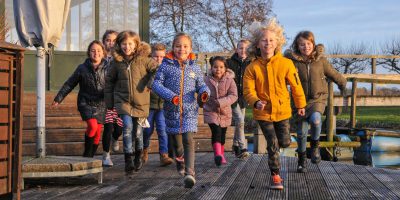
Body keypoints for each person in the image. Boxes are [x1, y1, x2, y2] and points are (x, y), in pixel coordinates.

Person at [243, 18, 306, 190]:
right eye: (264, 40)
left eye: (271, 40)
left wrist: (300, 105)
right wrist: (255, 102)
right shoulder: (252, 68)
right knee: (272, 144)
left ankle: (282, 145)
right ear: (257, 44)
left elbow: (296, 85)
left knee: (284, 142)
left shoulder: (286, 64)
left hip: (283, 111)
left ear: (277, 42)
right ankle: (275, 176)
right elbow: (248, 91)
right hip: (263, 113)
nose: (267, 43)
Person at [152, 32, 210, 188]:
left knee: (188, 140)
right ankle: (179, 158)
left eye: (185, 46)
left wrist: (205, 93)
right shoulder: (165, 65)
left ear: (190, 48)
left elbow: (202, 85)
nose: (181, 49)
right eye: (178, 46)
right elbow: (156, 84)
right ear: (173, 47)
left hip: (190, 110)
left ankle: (190, 173)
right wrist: (171, 96)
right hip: (172, 111)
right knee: (178, 145)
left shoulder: (195, 67)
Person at [285, 31, 347, 173]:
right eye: (302, 44)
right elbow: (282, 77)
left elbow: (333, 73)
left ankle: (315, 146)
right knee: (301, 133)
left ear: (313, 44)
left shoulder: (320, 60)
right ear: (297, 46)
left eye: (308, 43)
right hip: (299, 101)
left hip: (317, 98)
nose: (306, 46)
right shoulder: (292, 61)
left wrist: (342, 83)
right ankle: (301, 161)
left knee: (316, 120)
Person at [104, 31, 158, 173]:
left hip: (141, 103)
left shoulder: (144, 59)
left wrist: (150, 83)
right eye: (123, 44)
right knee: (127, 128)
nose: (126, 47)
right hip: (123, 101)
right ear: (119, 45)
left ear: (136, 45)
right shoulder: (117, 62)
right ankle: (128, 159)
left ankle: (138, 156)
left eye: (130, 44)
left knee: (138, 133)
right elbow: (109, 82)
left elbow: (157, 69)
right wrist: (110, 102)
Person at [53, 40, 107, 158]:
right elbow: (69, 84)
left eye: (98, 50)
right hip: (85, 102)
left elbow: (116, 84)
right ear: (89, 53)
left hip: (102, 104)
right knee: (92, 126)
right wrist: (59, 98)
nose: (96, 53)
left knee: (97, 131)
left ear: (103, 53)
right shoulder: (82, 68)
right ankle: (87, 156)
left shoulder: (109, 68)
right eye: (93, 51)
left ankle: (91, 157)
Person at [142, 43, 174, 166]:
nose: (159, 59)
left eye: (161, 57)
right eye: (156, 57)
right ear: (151, 56)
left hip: (162, 107)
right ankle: (144, 149)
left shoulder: (167, 70)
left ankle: (164, 155)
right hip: (148, 106)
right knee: (147, 131)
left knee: (162, 129)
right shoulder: (146, 69)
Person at [203, 56, 238, 166]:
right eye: (215, 67)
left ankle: (221, 154)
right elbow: (202, 92)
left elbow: (233, 95)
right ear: (211, 68)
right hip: (211, 110)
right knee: (216, 131)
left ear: (225, 68)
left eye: (221, 67)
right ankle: (218, 154)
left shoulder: (230, 80)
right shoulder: (206, 80)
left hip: (225, 112)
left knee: (222, 134)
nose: (218, 69)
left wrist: (222, 102)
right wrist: (203, 98)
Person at [226, 39, 251, 159]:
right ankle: (243, 147)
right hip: (232, 97)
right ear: (237, 49)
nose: (243, 50)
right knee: (240, 121)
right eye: (241, 48)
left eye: (246, 48)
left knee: (239, 122)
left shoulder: (251, 63)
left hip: (244, 97)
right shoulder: (229, 62)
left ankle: (235, 145)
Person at [101, 29, 123, 167]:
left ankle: (116, 138)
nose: (111, 43)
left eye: (114, 40)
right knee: (108, 127)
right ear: (104, 42)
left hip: (120, 98)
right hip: (105, 98)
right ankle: (106, 155)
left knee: (119, 128)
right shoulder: (99, 57)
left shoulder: (121, 58)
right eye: (108, 40)